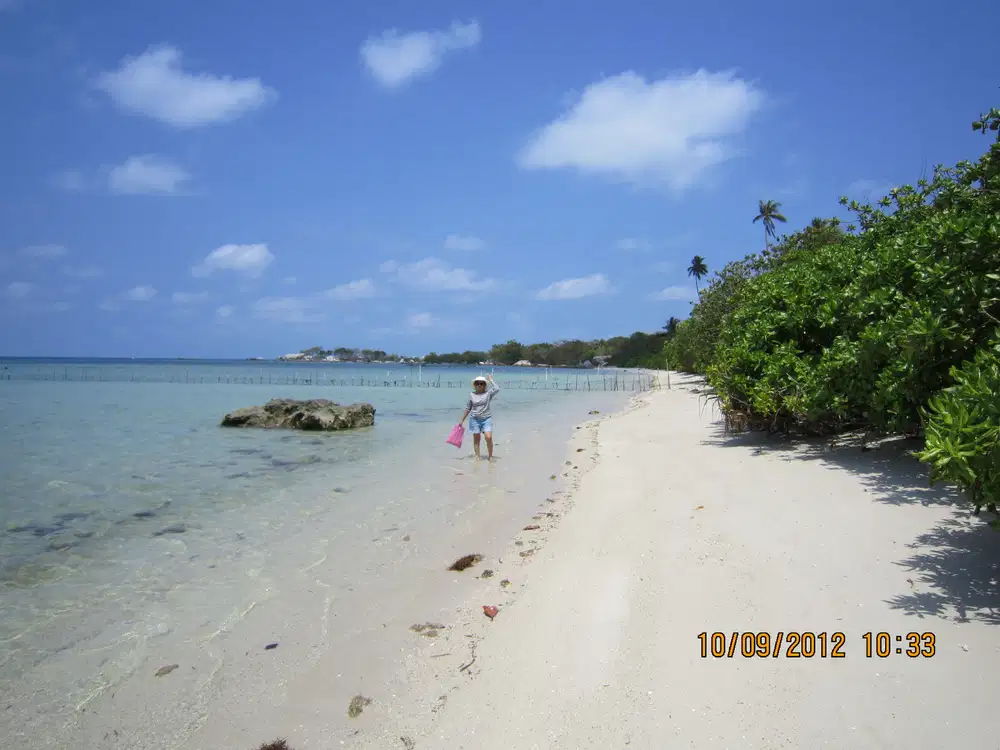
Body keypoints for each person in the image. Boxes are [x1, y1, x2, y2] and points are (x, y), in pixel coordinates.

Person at [459, 374, 501, 460]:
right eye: (477, 383)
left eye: (481, 383)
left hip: (486, 419)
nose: (479, 385)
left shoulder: (488, 394)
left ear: (484, 385)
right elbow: (468, 408)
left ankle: (490, 456)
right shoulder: (472, 395)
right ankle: (477, 456)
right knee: (476, 439)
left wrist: (491, 380)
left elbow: (497, 388)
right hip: (475, 420)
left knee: (488, 437)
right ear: (474, 385)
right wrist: (461, 420)